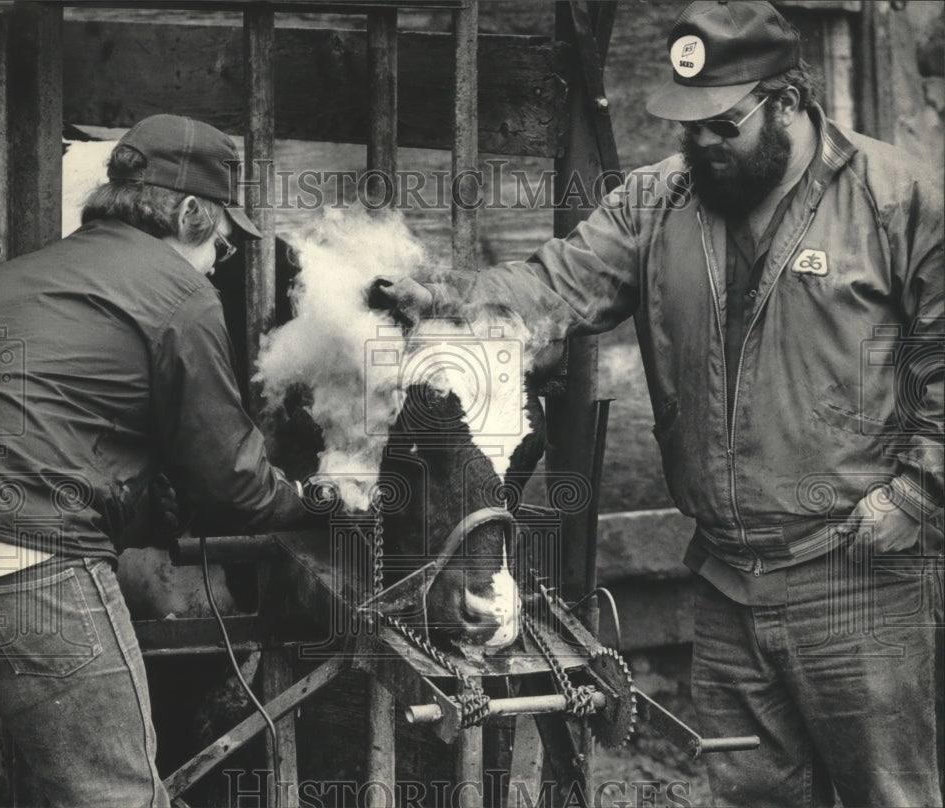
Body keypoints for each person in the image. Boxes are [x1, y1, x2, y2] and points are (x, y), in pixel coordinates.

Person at [370, 2, 944, 806]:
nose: (702, 141)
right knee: (753, 795)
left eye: (722, 123)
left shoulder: (898, 200)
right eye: (688, 124)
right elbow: (556, 284)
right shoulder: (660, 202)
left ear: (788, 99)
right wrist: (454, 298)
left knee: (891, 795)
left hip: (856, 575)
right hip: (724, 581)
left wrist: (921, 491)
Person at [0, 114, 307, 808]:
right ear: (193, 211)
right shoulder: (181, 292)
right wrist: (315, 500)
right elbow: (231, 480)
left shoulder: (32, 271)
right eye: (223, 234)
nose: (222, 249)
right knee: (117, 796)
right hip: (32, 561)